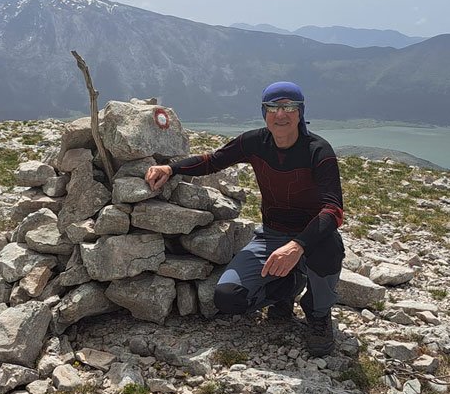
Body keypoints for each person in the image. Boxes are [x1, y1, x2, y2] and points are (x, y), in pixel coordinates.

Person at [145, 81, 344, 356]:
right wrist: (171, 167)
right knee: (228, 298)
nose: (281, 114)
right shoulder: (254, 142)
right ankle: (287, 288)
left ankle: (318, 313)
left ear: (300, 112)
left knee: (330, 249)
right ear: (264, 113)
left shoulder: (318, 151)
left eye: (289, 107)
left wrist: (298, 246)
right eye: (273, 107)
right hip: (272, 235)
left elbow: (333, 210)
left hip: (312, 238)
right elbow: (213, 160)